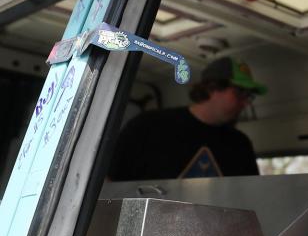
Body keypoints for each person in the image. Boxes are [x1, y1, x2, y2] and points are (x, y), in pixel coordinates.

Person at [108, 57, 264, 181]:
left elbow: (247, 195)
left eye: (249, 96)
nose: (245, 103)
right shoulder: (147, 126)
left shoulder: (240, 145)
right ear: (212, 87)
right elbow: (109, 179)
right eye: (240, 93)